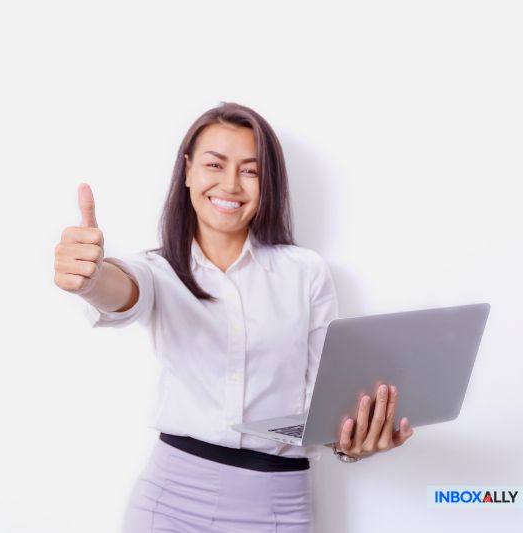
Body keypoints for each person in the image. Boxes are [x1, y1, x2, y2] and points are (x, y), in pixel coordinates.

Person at [53, 101, 414, 532]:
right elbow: (123, 289)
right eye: (214, 165)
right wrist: (91, 279)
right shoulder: (159, 270)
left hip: (279, 510)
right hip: (169, 504)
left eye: (250, 170)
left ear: (268, 184)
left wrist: (353, 443)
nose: (230, 184)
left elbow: (324, 409)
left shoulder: (305, 273)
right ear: (187, 171)